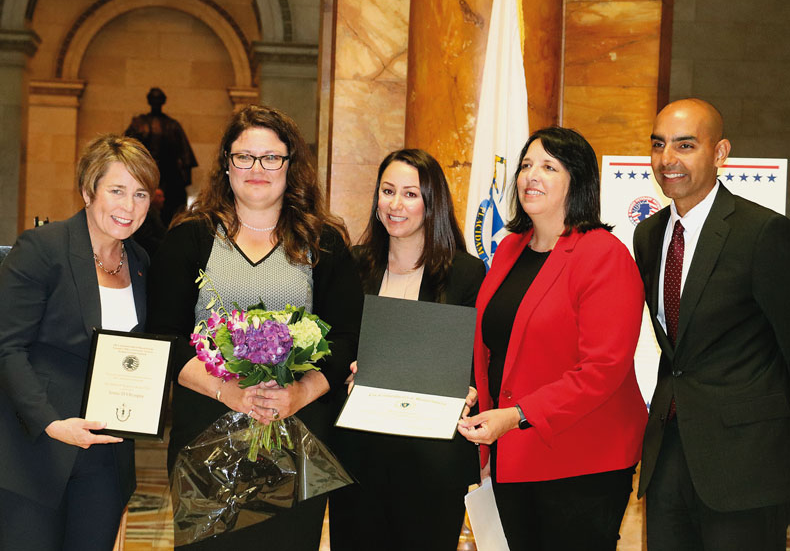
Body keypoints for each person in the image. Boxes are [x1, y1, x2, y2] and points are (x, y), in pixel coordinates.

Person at [146, 105, 363, 549]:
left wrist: (299, 393)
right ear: (226, 164)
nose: (257, 169)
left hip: (298, 433)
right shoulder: (190, 236)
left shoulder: (323, 242)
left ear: (290, 165)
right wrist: (230, 393)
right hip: (205, 430)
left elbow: (347, 338)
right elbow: (165, 336)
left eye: (271, 157)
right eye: (244, 157)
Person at [457, 127, 647, 550]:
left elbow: (603, 369)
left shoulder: (603, 255)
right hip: (512, 453)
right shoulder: (509, 249)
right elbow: (496, 349)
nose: (530, 176)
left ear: (576, 181)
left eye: (548, 166)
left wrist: (516, 413)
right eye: (526, 165)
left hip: (581, 460)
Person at [634, 98, 790, 550]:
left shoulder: (763, 233)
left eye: (685, 145)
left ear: (720, 153)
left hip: (747, 466)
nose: (668, 160)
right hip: (667, 457)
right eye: (658, 145)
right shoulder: (648, 235)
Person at [0, 134, 158, 550]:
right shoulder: (43, 248)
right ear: (89, 190)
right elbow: (6, 347)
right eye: (117, 190)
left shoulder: (139, 262)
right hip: (36, 451)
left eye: (140, 193)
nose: (129, 206)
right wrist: (51, 421)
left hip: (106, 458)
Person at [329, 149, 485, 551]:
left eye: (410, 194)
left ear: (432, 203)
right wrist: (345, 365)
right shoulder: (354, 264)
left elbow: (477, 355)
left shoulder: (466, 272)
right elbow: (335, 339)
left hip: (432, 460)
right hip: (360, 453)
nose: (396, 204)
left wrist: (468, 387)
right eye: (387, 191)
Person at [125, 87, 198, 226]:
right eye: (153, 98)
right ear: (149, 100)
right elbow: (125, 151)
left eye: (158, 99)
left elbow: (186, 155)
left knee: (170, 219)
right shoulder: (139, 123)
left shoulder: (172, 126)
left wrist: (184, 181)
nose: (156, 102)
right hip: (143, 177)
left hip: (170, 181)